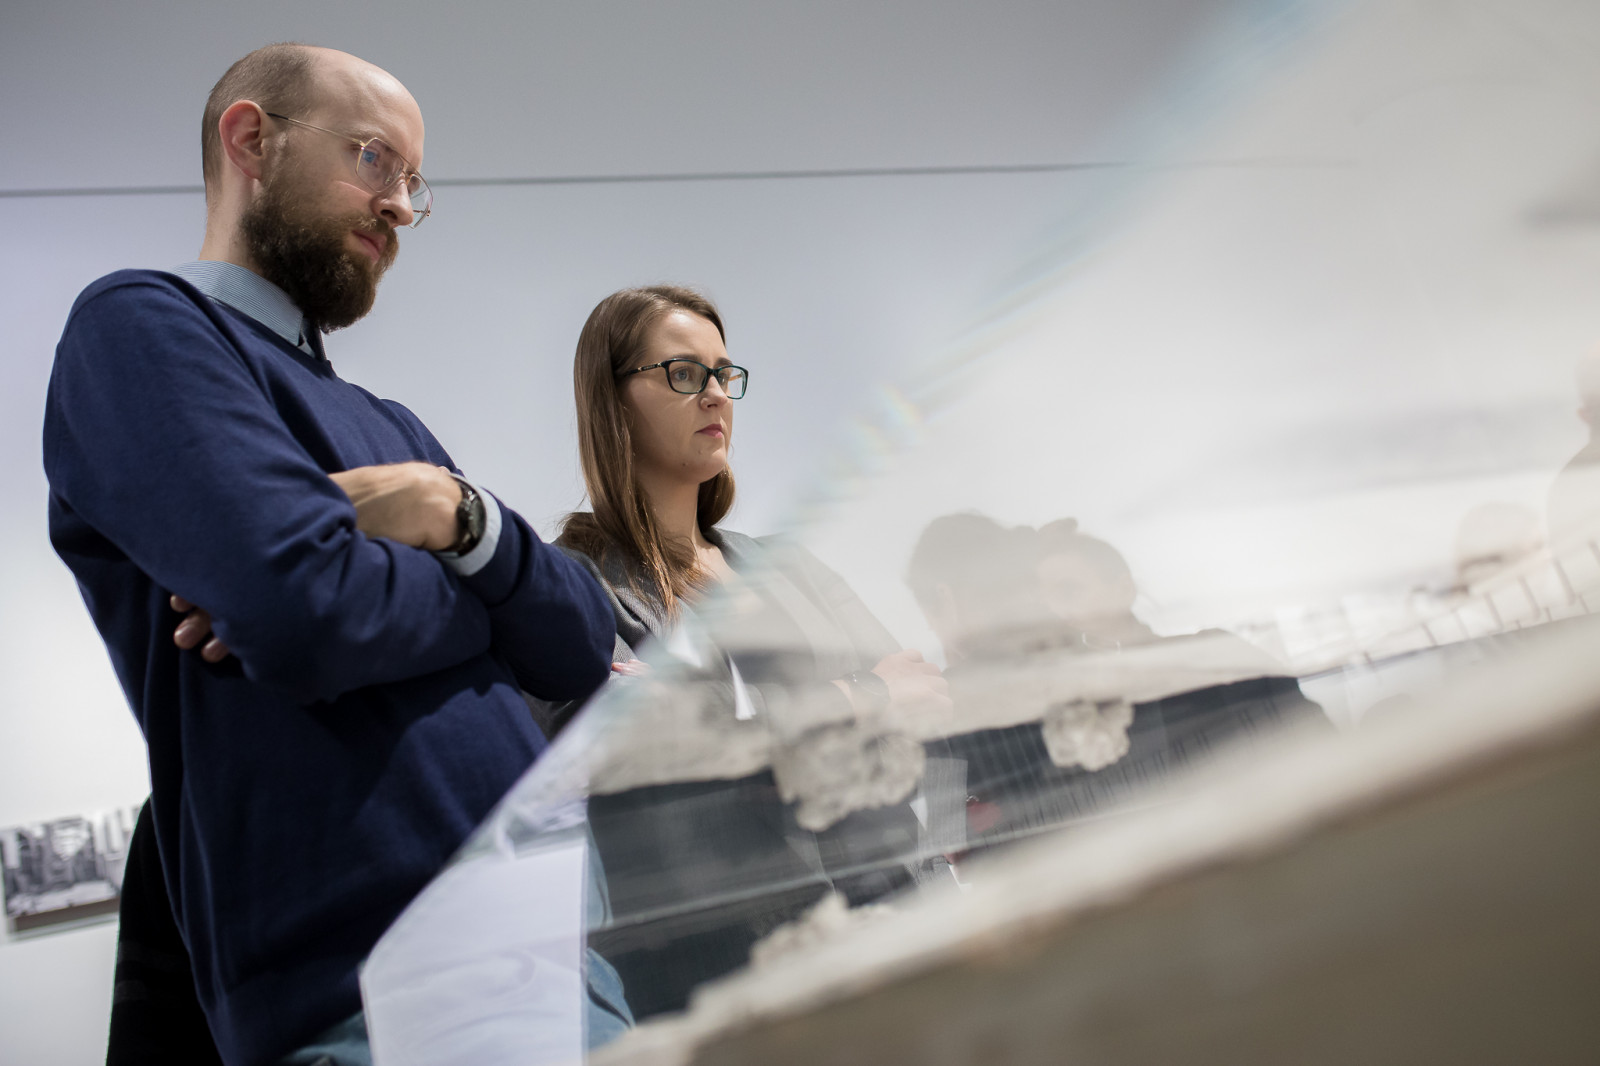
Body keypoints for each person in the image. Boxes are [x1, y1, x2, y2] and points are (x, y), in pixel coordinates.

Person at [42, 44, 615, 1066]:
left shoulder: (392, 425)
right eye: (372, 157)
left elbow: (577, 637)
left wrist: (453, 512)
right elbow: (305, 610)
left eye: (413, 182)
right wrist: (482, 596)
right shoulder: (140, 326)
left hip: (565, 948)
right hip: (377, 986)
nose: (399, 205)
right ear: (251, 140)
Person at [545, 285, 953, 1016]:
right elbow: (636, 740)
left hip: (900, 930)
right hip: (731, 983)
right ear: (613, 399)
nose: (715, 395)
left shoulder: (789, 566)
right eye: (683, 372)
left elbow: (922, 701)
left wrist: (743, 720)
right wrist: (860, 695)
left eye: (723, 373)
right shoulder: (571, 583)